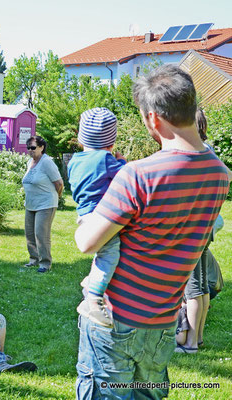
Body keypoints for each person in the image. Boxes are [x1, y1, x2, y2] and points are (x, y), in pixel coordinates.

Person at [74, 65, 230, 399]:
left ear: (153, 119)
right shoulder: (220, 174)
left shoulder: (138, 175)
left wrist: (87, 216)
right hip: (163, 319)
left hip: (114, 318)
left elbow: (86, 243)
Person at [67, 107, 126, 328]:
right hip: (101, 216)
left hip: (84, 214)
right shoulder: (105, 159)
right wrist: (121, 160)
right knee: (109, 255)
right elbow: (127, 176)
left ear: (81, 138)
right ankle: (93, 301)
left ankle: (92, 281)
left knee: (102, 253)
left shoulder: (74, 160)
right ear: (110, 142)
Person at [175, 108, 227, 353]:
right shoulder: (209, 152)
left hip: (192, 230)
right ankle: (198, 337)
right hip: (203, 227)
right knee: (202, 286)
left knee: (193, 288)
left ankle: (191, 343)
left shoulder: (195, 153)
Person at [22, 135, 64, 273]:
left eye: (33, 147)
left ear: (41, 147)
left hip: (46, 204)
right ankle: (33, 260)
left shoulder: (47, 162)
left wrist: (55, 198)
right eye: (28, 148)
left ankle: (45, 263)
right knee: (30, 234)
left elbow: (59, 183)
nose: (30, 150)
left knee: (41, 234)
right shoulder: (30, 162)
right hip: (31, 204)